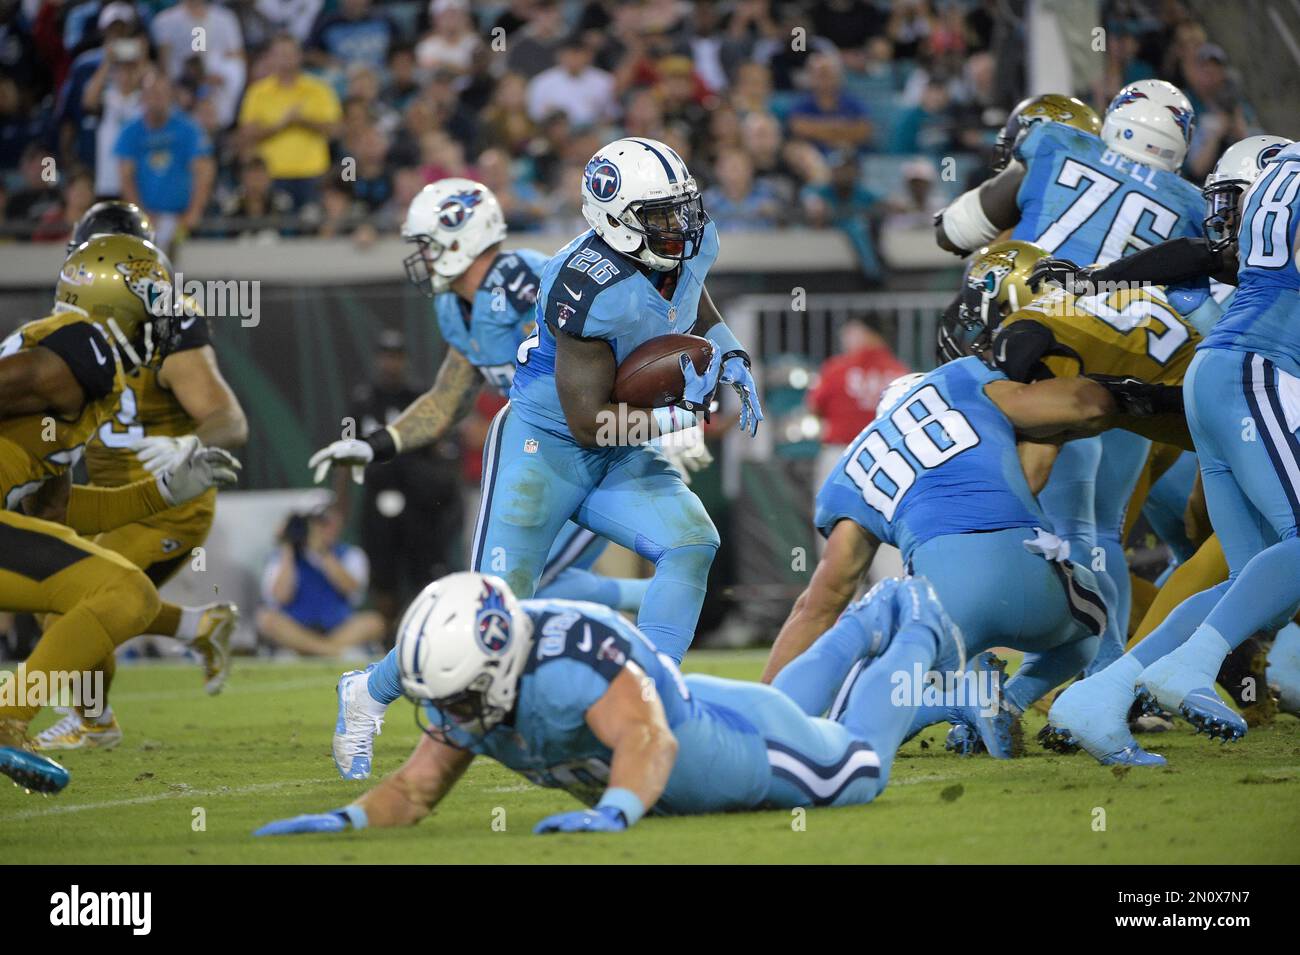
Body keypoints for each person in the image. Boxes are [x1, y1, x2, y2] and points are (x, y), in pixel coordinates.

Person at [309, 178, 690, 779]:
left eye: (431, 244)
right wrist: (376, 444)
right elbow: (446, 399)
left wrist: (661, 420)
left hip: (598, 443)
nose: (424, 257)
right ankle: (370, 691)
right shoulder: (454, 304)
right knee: (506, 600)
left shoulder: (527, 278)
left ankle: (657, 712)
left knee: (551, 585)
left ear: (465, 237)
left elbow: (623, 335)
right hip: (546, 452)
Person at [254, 572, 962, 836]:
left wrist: (615, 811)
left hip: (724, 751)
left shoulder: (567, 669)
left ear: (499, 663)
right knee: (788, 706)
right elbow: (416, 788)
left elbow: (649, 741)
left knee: (859, 763)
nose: (451, 713)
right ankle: (867, 621)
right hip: (693, 712)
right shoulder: (476, 679)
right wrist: (346, 819)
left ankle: (922, 622)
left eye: (460, 693)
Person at [1042, 137, 1300, 761]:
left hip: (1216, 378)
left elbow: (1205, 256)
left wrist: (1094, 281)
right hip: (1259, 370)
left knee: (1250, 579)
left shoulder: (1280, 180)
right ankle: (1192, 667)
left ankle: (1101, 692)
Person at [760, 354, 1139, 758]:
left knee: (859, 711)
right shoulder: (960, 381)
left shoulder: (848, 472)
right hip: (1037, 589)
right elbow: (1054, 447)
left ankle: (949, 702)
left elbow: (819, 605)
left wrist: (763, 697)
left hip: (944, 612)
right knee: (1093, 610)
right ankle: (1016, 699)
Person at [0, 235, 240, 795]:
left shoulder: (84, 369)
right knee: (124, 591)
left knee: (122, 593)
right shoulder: (83, 348)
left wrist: (163, 491)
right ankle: (10, 716)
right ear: (117, 303)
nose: (160, 324)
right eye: (151, 308)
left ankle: (18, 714)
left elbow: (55, 510)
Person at [256, 504, 385, 657]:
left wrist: (322, 552)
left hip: (338, 628)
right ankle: (333, 651)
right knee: (266, 619)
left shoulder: (351, 554)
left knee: (374, 622)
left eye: (325, 524)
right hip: (297, 626)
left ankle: (305, 651)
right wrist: (288, 547)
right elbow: (280, 597)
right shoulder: (282, 556)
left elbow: (352, 589)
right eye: (316, 524)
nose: (320, 529)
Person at [237, 32, 342, 210]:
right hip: (271, 175)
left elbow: (335, 129)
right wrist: (281, 124)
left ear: (299, 56)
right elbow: (247, 134)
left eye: (290, 53)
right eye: (280, 54)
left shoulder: (319, 89)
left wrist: (302, 120)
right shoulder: (257, 92)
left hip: (313, 173)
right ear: (271, 58)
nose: (286, 59)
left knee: (311, 227)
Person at [115, 70, 216, 249]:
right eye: (151, 94)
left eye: (161, 94)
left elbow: (203, 172)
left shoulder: (189, 129)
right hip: (146, 220)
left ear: (170, 96)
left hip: (182, 218)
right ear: (143, 97)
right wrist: (141, 215)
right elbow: (126, 178)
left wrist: (193, 213)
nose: (156, 99)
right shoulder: (130, 132)